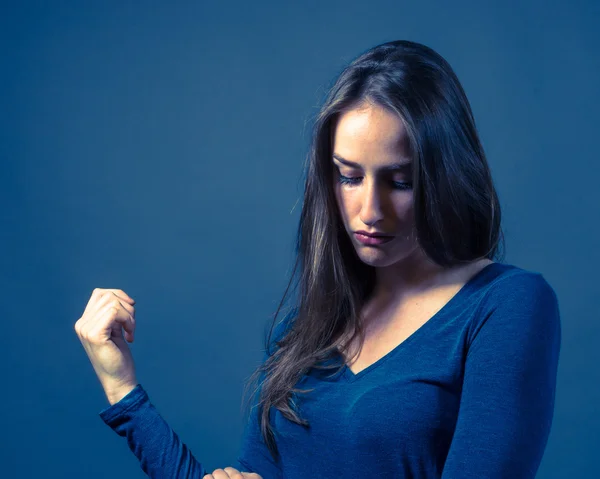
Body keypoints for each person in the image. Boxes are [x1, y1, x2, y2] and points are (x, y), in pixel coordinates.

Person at [74, 40, 562, 479]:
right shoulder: (315, 325)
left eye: (399, 181)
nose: (370, 211)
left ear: (444, 175)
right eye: (349, 177)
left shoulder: (507, 307)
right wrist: (122, 388)